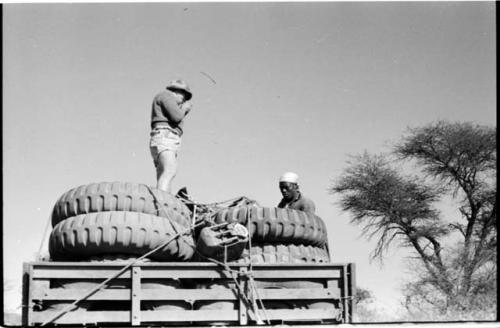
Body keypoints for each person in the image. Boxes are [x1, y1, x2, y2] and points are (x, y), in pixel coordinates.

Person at [149, 79, 193, 193]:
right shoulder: (166, 96)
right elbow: (177, 116)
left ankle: (164, 201)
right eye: (184, 95)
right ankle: (162, 203)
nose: (184, 99)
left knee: (163, 172)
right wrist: (185, 109)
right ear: (177, 91)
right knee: (170, 169)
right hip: (165, 136)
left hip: (164, 137)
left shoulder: (164, 97)